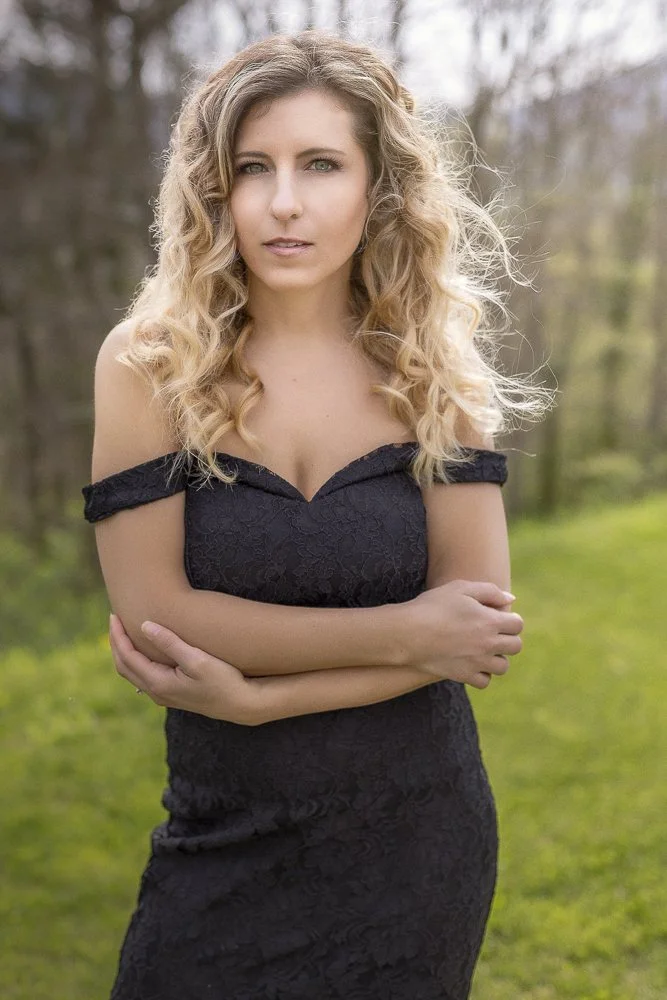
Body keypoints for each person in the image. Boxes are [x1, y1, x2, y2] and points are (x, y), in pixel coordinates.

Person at [81, 27, 549, 1000]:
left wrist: (262, 696)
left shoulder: (434, 371)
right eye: (253, 167)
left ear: (377, 186)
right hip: (220, 838)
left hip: (418, 846)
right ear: (216, 189)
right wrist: (405, 632)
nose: (282, 202)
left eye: (320, 164)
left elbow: (475, 626)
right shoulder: (149, 363)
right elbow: (157, 616)